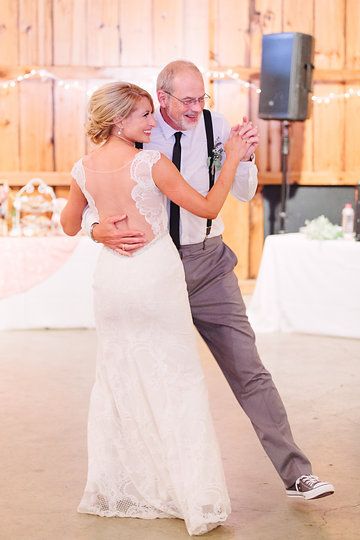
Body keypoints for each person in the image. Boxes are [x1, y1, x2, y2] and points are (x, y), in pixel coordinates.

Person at [83, 60, 335, 501]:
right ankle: (163, 485)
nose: (197, 108)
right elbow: (94, 196)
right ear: (161, 98)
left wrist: (243, 157)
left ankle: (298, 474)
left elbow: (241, 193)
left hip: (210, 264)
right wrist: (96, 229)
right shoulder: (137, 130)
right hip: (153, 270)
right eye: (188, 100)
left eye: (203, 98)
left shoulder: (216, 126)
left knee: (249, 370)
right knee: (159, 378)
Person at [61, 81, 254, 536]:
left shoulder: (83, 167)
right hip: (153, 278)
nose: (154, 123)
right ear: (117, 120)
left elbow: (70, 225)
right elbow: (206, 205)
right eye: (145, 115)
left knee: (119, 380)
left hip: (111, 281)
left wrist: (97, 229)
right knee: (176, 381)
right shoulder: (151, 163)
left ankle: (121, 489)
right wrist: (231, 159)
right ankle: (187, 494)